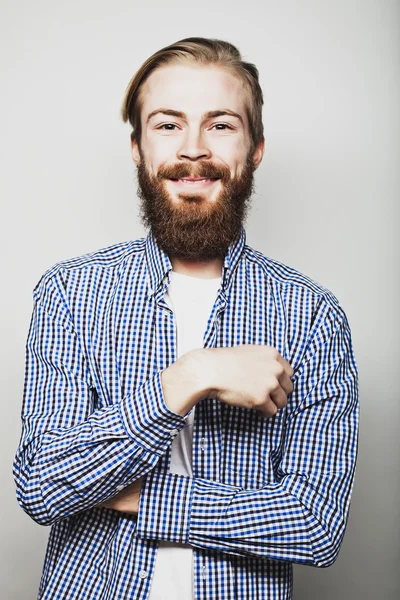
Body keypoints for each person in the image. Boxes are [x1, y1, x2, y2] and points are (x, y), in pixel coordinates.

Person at [13, 37, 359, 600]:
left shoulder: (312, 315)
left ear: (256, 148)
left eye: (221, 125)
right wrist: (190, 377)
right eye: (168, 125)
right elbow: (43, 486)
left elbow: (315, 526)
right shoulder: (71, 294)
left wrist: (129, 496)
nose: (193, 149)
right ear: (137, 147)